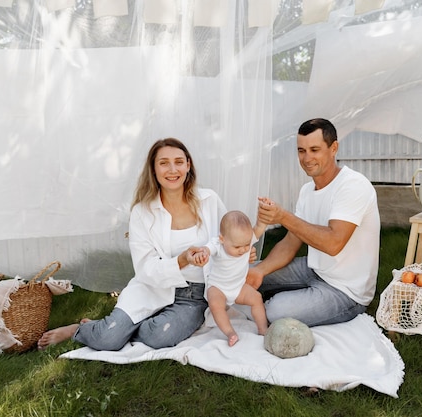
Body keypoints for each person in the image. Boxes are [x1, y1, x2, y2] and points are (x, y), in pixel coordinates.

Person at [38, 138, 227, 351]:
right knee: (107, 340)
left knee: (159, 336)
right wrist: (182, 261)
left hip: (194, 296)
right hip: (152, 287)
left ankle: (114, 328)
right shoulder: (142, 212)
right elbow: (145, 268)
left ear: (188, 166)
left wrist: (243, 250)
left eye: (179, 162)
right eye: (164, 163)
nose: (172, 169)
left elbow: (228, 238)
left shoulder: (209, 200)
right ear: (154, 169)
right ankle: (80, 330)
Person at [247, 118, 380, 328]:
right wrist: (260, 271)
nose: (307, 158)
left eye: (314, 149)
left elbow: (333, 243)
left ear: (333, 148)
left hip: (345, 291)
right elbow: (290, 242)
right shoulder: (307, 191)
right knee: (242, 274)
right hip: (314, 269)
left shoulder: (353, 185)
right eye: (301, 150)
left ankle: (273, 301)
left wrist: (283, 216)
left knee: (276, 311)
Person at [193, 210, 268, 346]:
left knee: (256, 298)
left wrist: (262, 221)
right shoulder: (217, 244)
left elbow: (259, 229)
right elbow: (208, 249)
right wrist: (203, 252)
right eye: (237, 247)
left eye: (246, 245)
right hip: (218, 287)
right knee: (216, 305)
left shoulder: (245, 240)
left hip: (238, 286)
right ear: (222, 239)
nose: (243, 250)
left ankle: (263, 329)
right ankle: (230, 333)